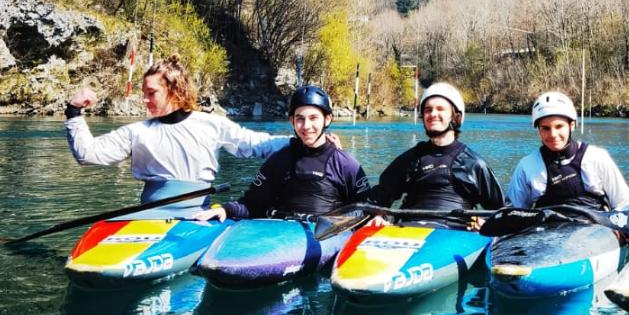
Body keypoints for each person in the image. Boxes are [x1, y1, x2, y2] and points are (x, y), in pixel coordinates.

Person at [66, 53, 290, 213]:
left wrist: (306, 142)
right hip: (150, 214)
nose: (144, 100)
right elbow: (87, 154)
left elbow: (261, 145)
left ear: (174, 90)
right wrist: (74, 112)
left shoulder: (212, 124)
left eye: (151, 93)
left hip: (197, 216)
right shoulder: (136, 132)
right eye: (143, 93)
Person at [193, 85, 370, 223]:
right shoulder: (279, 160)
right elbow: (253, 204)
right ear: (292, 121)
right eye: (300, 119)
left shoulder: (347, 165)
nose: (306, 126)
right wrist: (226, 209)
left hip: (326, 238)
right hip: (281, 237)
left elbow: (365, 209)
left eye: (313, 118)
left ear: (327, 119)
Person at [371, 82, 504, 213]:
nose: (433, 114)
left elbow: (501, 213)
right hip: (410, 228)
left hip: (456, 230)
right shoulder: (409, 160)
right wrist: (377, 216)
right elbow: (378, 200)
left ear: (455, 117)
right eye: (428, 110)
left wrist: (486, 223)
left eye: (440, 109)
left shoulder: (474, 164)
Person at [505, 91, 629, 212]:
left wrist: (620, 229)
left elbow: (626, 204)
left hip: (594, 231)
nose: (553, 134)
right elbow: (513, 214)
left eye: (559, 126)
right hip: (547, 232)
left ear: (572, 125)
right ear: (538, 129)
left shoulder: (597, 157)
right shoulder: (527, 166)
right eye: (545, 128)